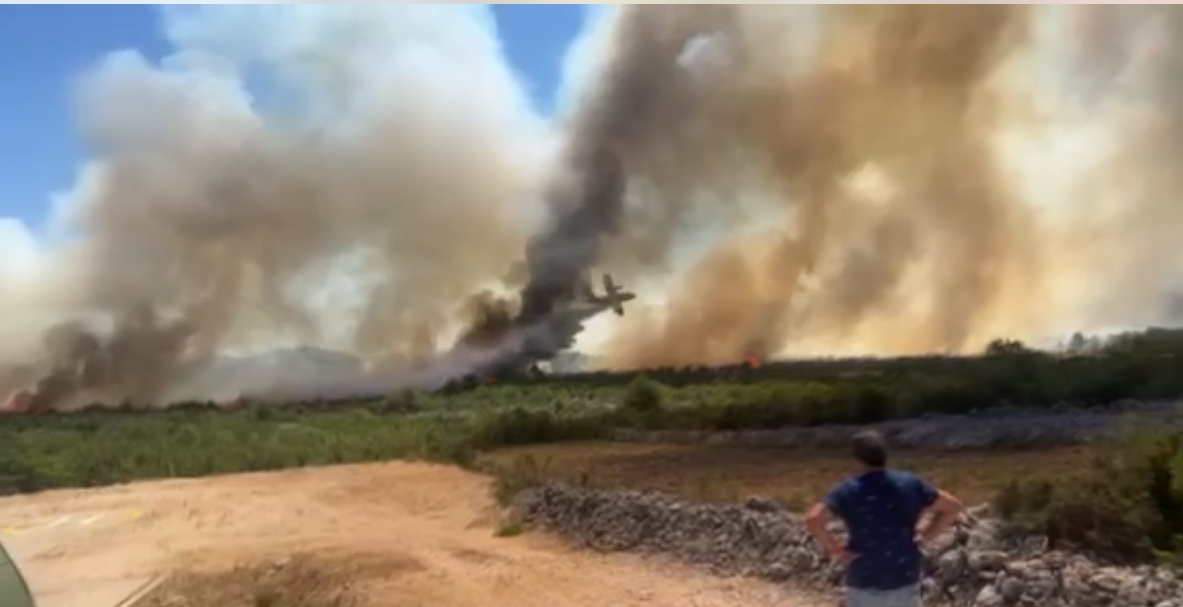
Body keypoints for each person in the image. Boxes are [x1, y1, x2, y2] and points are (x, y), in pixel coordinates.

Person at [804, 430, 965, 607]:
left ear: (857, 458)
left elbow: (813, 519)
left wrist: (835, 550)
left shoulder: (847, 490)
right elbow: (953, 507)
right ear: (884, 454)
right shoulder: (910, 483)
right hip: (904, 575)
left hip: (865, 577)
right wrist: (926, 537)